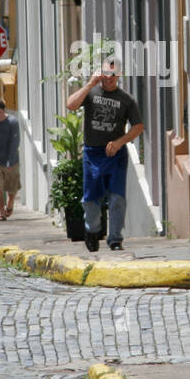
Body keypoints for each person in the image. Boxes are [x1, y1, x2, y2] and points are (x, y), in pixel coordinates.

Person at [65, 56, 144, 251]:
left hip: (115, 155)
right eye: (106, 73)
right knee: (91, 199)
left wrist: (120, 142)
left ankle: (115, 239)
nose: (109, 78)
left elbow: (138, 126)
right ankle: (92, 231)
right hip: (92, 153)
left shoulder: (126, 100)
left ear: (119, 75)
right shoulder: (91, 93)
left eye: (113, 74)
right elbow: (71, 105)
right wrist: (90, 83)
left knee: (117, 198)